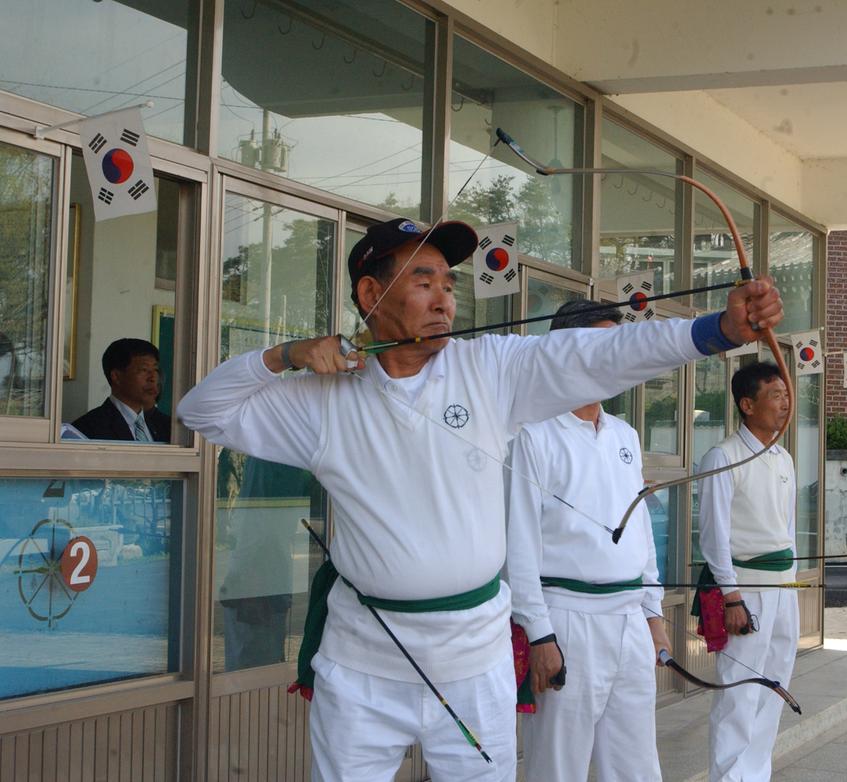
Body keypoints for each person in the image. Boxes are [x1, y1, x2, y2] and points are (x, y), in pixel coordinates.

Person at [176, 216, 783, 782]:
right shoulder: (322, 398)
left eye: (449, 282)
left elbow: (597, 355)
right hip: (362, 663)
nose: (445, 298)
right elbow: (201, 410)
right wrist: (284, 356)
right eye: (423, 281)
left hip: (475, 661)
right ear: (370, 296)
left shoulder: (488, 368)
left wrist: (716, 331)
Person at [506, 300, 670, 782]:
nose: (613, 361)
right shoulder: (533, 433)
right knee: (558, 765)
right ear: (564, 351)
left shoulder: (625, 434)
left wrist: (653, 614)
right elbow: (518, 542)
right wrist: (539, 633)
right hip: (567, 619)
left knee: (637, 762)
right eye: (602, 347)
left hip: (628, 618)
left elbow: (639, 527)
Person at [696, 361, 797, 782]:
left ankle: (755, 774)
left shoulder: (784, 457)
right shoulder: (723, 456)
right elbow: (713, 536)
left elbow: (786, 531)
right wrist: (731, 596)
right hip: (745, 590)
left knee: (772, 688)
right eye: (775, 395)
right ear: (747, 404)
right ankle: (728, 776)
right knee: (739, 689)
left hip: (782, 586)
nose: (785, 403)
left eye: (785, 394)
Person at [72, 338, 170, 443]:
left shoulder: (168, 426)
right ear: (116, 377)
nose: (153, 378)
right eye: (144, 370)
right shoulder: (86, 429)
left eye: (155, 369)